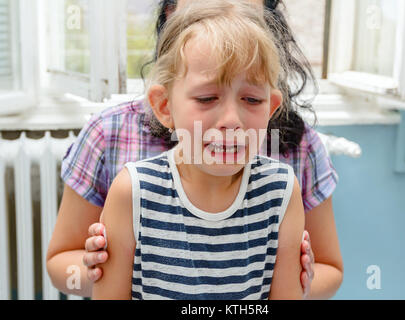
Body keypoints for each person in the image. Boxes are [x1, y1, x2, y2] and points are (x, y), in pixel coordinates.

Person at [46, 0, 343, 299]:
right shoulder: (129, 187)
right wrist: (106, 270)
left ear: (271, 108)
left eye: (252, 100)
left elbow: (321, 273)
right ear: (163, 106)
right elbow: (68, 267)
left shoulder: (282, 189)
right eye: (206, 98)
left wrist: (294, 277)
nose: (231, 121)